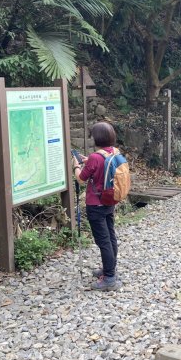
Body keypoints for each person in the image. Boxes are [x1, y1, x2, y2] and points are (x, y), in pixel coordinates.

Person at [72, 122, 120, 291]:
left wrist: (76, 166)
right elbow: (99, 166)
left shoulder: (95, 157)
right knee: (110, 236)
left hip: (96, 204)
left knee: (103, 241)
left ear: (97, 138)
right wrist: (87, 160)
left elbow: (81, 178)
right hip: (109, 201)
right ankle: (110, 270)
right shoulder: (113, 152)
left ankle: (109, 278)